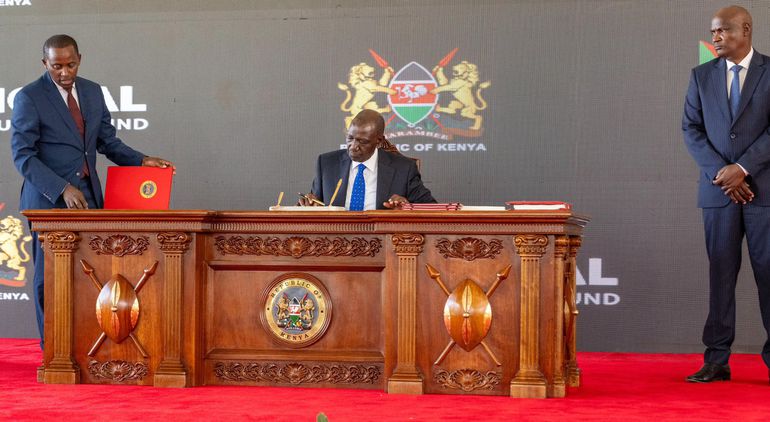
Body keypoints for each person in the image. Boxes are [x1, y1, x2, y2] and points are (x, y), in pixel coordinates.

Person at [10, 34, 174, 347]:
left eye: (70, 65)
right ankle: (52, 349)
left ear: (80, 60)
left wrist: (142, 160)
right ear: (45, 63)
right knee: (48, 279)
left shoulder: (93, 91)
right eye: (57, 66)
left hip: (90, 200)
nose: (65, 72)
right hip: (47, 202)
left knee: (92, 275)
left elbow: (107, 142)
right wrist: (62, 188)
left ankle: (87, 345)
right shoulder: (29, 97)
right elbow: (23, 156)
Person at [682, 6, 770, 383]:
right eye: (713, 32)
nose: (715, 37)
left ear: (745, 30)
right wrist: (724, 174)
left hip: (764, 193)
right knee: (720, 275)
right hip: (718, 193)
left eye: (723, 30)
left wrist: (743, 168)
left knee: (769, 274)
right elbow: (691, 129)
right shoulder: (701, 76)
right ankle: (716, 360)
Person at [299, 110, 436, 209]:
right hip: (335, 237)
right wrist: (309, 204)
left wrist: (406, 207)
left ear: (379, 141)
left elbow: (431, 208)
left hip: (382, 237)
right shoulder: (327, 163)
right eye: (350, 138)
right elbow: (314, 202)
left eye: (362, 141)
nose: (353, 146)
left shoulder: (404, 168)